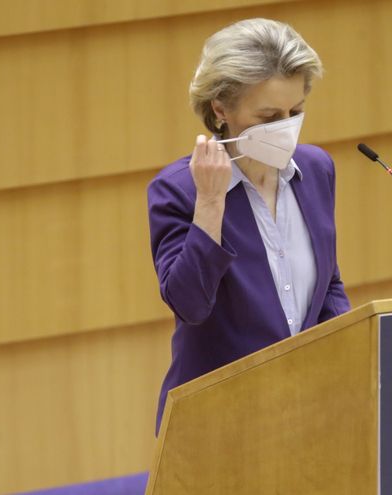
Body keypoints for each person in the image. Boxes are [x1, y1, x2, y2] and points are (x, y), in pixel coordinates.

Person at [147, 18, 350, 434]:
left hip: (307, 412)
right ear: (221, 109)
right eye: (269, 116)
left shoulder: (316, 169)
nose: (287, 128)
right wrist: (210, 203)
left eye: (295, 112)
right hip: (219, 423)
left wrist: (352, 352)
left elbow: (328, 284)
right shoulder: (178, 190)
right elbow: (190, 305)